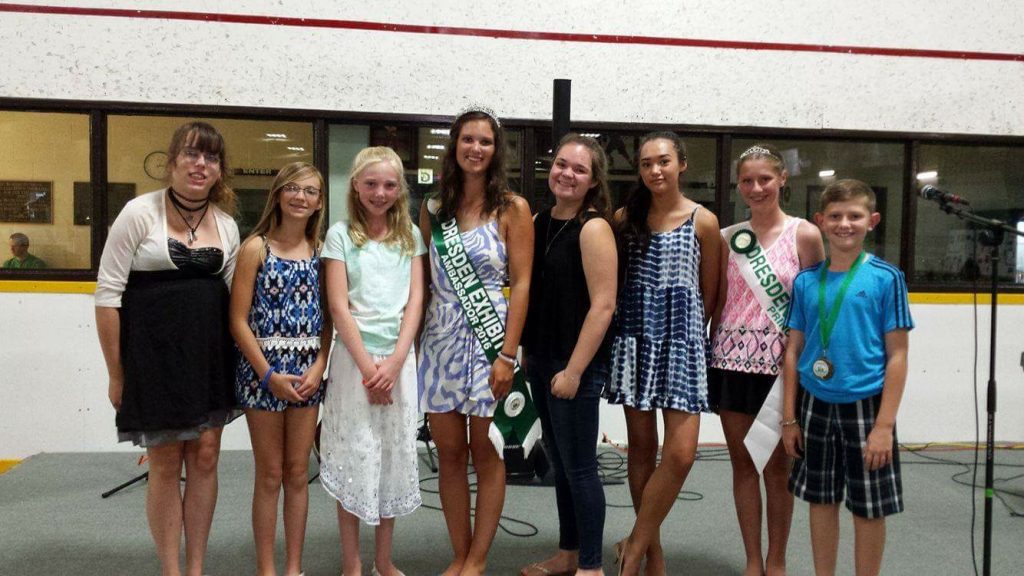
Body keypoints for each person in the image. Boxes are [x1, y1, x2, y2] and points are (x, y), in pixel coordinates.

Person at [95, 121, 240, 576]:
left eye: (211, 157)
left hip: (208, 359)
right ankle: (171, 570)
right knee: (164, 463)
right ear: (172, 161)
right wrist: (117, 373)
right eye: (192, 154)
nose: (201, 164)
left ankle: (196, 567)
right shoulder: (139, 213)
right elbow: (107, 295)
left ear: (220, 171)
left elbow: (236, 300)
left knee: (206, 457)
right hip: (153, 361)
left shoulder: (228, 226)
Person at [418, 107, 534, 576]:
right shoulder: (433, 209)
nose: (476, 148)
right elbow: (424, 279)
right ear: (455, 145)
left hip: (491, 342)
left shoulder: (513, 208)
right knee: (448, 452)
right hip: (440, 339)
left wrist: (508, 354)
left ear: (495, 149)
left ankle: (479, 559)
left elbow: (523, 284)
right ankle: (459, 553)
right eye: (468, 139)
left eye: (485, 141)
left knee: (486, 450)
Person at [781, 179, 913, 576]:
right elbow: (793, 351)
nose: (844, 224)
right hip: (814, 404)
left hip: (867, 409)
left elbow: (898, 355)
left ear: (871, 221)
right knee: (820, 501)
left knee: (869, 507)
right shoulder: (806, 282)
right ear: (820, 221)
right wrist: (789, 418)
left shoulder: (886, 279)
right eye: (835, 216)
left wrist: (884, 426)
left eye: (854, 216)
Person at [606, 131, 721, 576]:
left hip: (683, 343)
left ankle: (633, 545)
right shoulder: (623, 218)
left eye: (664, 161)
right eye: (647, 163)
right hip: (634, 340)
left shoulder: (703, 221)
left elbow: (709, 293)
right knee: (641, 450)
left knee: (680, 455)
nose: (656, 169)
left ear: (682, 165)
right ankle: (652, 556)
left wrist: (687, 333)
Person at [708, 144, 825, 576]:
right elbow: (720, 301)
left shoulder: (805, 234)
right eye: (747, 181)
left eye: (764, 179)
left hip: (781, 371)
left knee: (777, 470)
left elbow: (815, 306)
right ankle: (752, 561)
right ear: (739, 185)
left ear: (782, 181)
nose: (756, 188)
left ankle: (776, 561)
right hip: (730, 364)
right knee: (743, 467)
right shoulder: (727, 237)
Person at [321, 147, 426, 576]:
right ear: (356, 187)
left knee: (392, 460)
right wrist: (369, 369)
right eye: (370, 184)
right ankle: (353, 563)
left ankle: (384, 560)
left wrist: (397, 360)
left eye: (388, 185)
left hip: (398, 364)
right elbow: (338, 306)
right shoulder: (340, 235)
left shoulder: (411, 236)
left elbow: (417, 299)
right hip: (354, 363)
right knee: (354, 458)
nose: (379, 193)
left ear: (399, 188)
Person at [520, 134, 617, 576]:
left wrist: (575, 371)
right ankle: (569, 551)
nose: (567, 174)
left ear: (593, 179)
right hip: (541, 359)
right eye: (562, 164)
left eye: (579, 169)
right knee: (559, 464)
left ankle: (592, 566)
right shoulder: (540, 220)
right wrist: (527, 351)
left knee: (579, 469)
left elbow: (603, 305)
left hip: (573, 366)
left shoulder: (593, 227)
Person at [229, 161, 330, 576]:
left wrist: (320, 367)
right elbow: (237, 320)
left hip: (307, 374)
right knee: (269, 473)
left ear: (319, 201)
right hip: (262, 374)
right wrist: (269, 375)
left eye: (309, 191)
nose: (300, 197)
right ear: (278, 194)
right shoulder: (256, 248)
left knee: (297, 471)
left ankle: (293, 567)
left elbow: (330, 319)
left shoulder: (322, 252)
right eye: (292, 188)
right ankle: (267, 568)